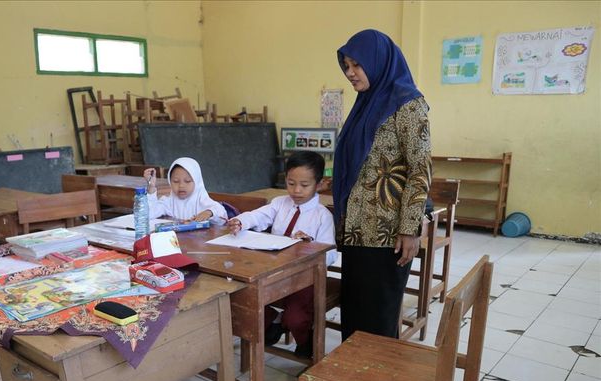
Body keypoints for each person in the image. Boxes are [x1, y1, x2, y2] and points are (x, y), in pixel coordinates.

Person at [333, 29, 432, 341]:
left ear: (378, 63)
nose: (350, 73)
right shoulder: (365, 104)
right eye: (346, 66)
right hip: (355, 231)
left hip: (388, 235)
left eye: (357, 65)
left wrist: (410, 228)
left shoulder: (408, 104)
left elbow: (420, 170)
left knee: (377, 318)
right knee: (354, 314)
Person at [227, 151, 337, 358]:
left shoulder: (322, 216)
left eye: (304, 185)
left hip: (303, 279)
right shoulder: (279, 203)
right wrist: (241, 221)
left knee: (296, 318)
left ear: (319, 184)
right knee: (244, 297)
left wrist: (310, 247)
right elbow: (259, 216)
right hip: (274, 272)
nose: (296, 190)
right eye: (290, 182)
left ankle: (305, 340)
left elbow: (331, 255)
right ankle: (274, 322)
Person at [143, 157, 227, 224]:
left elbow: (222, 216)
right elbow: (147, 214)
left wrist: (210, 212)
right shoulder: (168, 202)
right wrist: (151, 187)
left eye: (187, 181)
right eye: (175, 181)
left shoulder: (202, 200)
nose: (181, 186)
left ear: (197, 182)